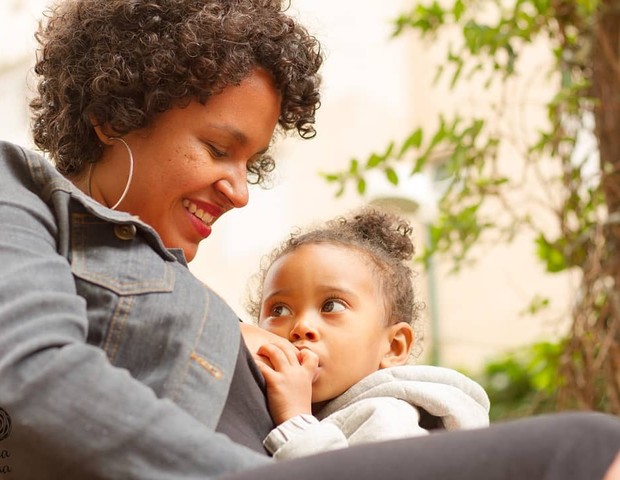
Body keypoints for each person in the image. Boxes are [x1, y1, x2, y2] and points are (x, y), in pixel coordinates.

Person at [0, 0, 619, 479]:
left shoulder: (172, 273)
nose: (239, 191)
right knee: (586, 450)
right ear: (114, 116)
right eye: (218, 149)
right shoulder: (18, 195)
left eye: (251, 163)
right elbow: (32, 377)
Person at [244, 207, 490, 459]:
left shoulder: (387, 415)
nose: (301, 327)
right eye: (279, 309)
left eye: (331, 306)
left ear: (393, 346)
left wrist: (296, 420)